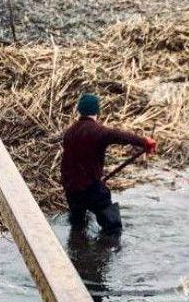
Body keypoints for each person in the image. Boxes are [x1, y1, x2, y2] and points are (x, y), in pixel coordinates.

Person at [61, 93, 157, 234]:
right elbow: (120, 136)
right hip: (90, 188)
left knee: (77, 225)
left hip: (70, 188)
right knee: (113, 228)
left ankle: (75, 252)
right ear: (97, 111)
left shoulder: (69, 132)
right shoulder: (98, 131)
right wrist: (144, 142)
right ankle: (108, 252)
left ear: (79, 110)